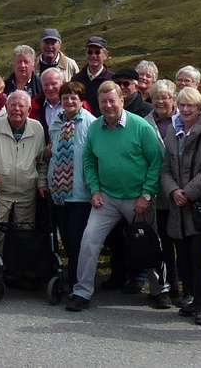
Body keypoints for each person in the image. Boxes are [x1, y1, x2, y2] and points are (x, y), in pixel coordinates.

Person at [65, 81, 167, 312]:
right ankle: (82, 292)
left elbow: (156, 162)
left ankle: (160, 290)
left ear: (122, 100)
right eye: (103, 102)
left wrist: (147, 194)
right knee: (89, 239)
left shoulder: (141, 127)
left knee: (148, 243)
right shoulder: (95, 128)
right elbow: (89, 161)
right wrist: (95, 189)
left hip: (137, 198)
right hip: (107, 197)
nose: (108, 105)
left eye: (112, 100)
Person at [160, 86, 201, 326]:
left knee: (198, 255)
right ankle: (191, 300)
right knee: (183, 255)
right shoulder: (172, 132)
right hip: (178, 205)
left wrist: (187, 192)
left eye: (191, 106)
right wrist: (173, 191)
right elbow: (165, 168)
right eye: (183, 105)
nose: (186, 110)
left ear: (200, 108)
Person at [0, 91, 49, 247]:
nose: (17, 109)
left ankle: (21, 269)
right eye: (13, 105)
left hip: (26, 193)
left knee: (24, 236)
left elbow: (42, 162)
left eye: (21, 106)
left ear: (29, 110)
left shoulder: (37, 129)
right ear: (6, 107)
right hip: (0, 192)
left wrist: (42, 183)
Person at [48, 81, 95, 290]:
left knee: (76, 240)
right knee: (65, 238)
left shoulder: (91, 123)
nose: (69, 101)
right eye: (65, 97)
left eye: (73, 97)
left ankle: (77, 284)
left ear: (81, 100)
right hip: (58, 193)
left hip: (80, 193)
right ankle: (71, 278)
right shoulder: (55, 123)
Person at [146, 79, 182, 305]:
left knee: (181, 242)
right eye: (156, 97)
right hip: (155, 191)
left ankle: (185, 287)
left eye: (165, 97)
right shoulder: (144, 123)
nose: (160, 101)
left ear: (174, 99)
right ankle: (162, 289)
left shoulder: (184, 120)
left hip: (180, 191)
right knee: (160, 243)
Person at [72, 37, 113, 115]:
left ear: (105, 55)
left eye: (97, 52)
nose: (93, 56)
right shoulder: (76, 79)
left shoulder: (112, 80)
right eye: (90, 52)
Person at [32, 67, 65, 141]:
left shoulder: (76, 104)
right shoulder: (35, 106)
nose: (50, 88)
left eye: (54, 84)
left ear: (63, 83)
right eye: (46, 85)